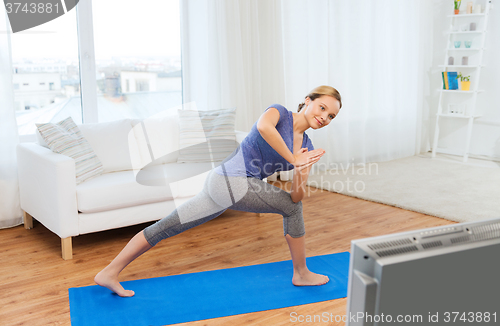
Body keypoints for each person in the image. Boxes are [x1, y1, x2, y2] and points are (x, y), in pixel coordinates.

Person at [95, 85, 342, 297]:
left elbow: (296, 195)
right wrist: (293, 159)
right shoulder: (280, 113)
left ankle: (109, 273)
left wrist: (302, 170)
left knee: (166, 226)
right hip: (229, 182)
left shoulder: (307, 147)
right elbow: (264, 127)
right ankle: (301, 273)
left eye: (331, 116)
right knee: (291, 208)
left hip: (224, 186)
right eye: (322, 108)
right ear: (308, 101)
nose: (324, 117)